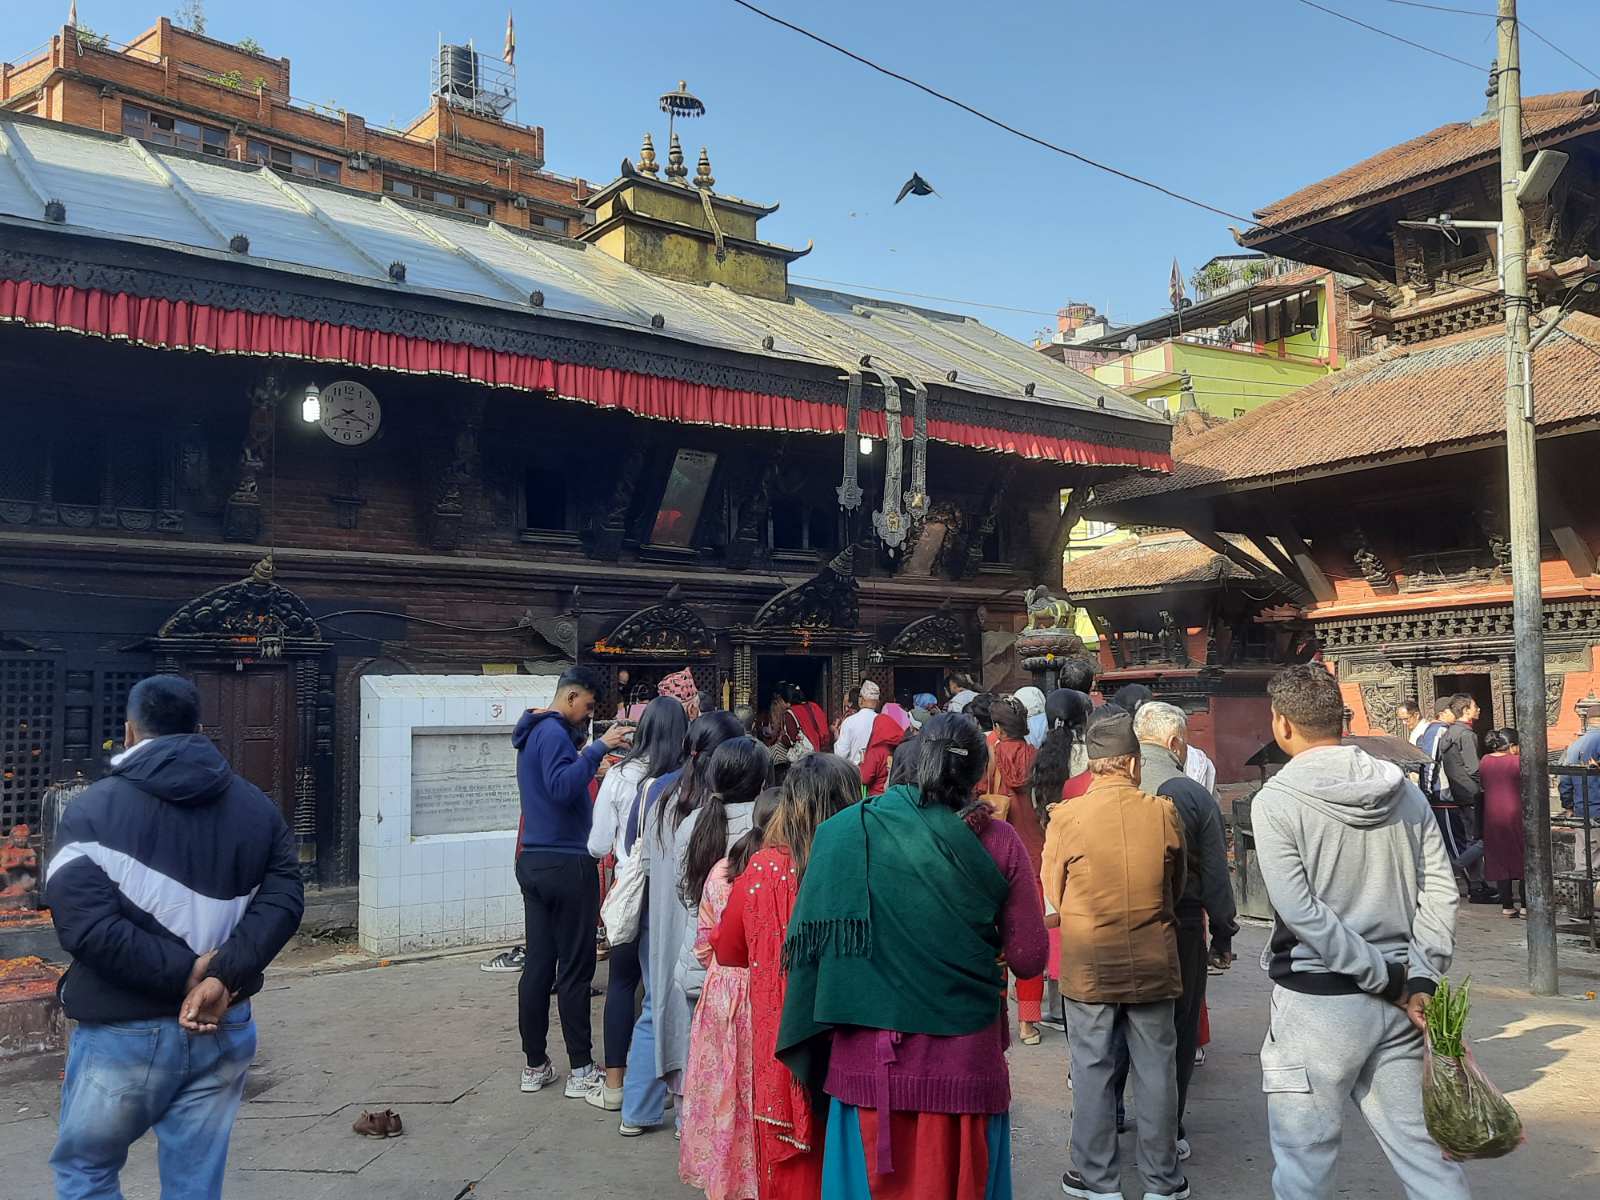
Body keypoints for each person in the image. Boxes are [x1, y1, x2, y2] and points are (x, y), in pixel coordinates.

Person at [45, 675, 304, 1200]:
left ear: (130, 732)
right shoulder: (257, 807)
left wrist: (186, 973)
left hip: (124, 1030)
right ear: (198, 730)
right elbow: (284, 900)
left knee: (86, 1172)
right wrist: (220, 977)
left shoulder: (92, 810)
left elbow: (87, 927)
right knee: (195, 1182)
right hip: (223, 1022)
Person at [778, 714, 1047, 1199]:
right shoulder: (1000, 841)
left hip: (867, 1064)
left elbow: (810, 959)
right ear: (976, 777)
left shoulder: (843, 833)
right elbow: (1030, 958)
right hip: (962, 1065)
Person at [1251, 665, 1465, 1200]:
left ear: (1281, 723)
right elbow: (1441, 890)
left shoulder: (1275, 802)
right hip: (1402, 1003)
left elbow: (1300, 911)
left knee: (1305, 1163)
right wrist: (1421, 977)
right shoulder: (1405, 792)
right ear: (1342, 721)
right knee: (1423, 1154)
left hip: (1318, 1005)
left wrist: (1386, 978)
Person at [1043, 708, 1188, 1200]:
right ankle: (1163, 1181)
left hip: (1089, 964)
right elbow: (1178, 884)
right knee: (1156, 1072)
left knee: (1092, 1069)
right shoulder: (1161, 812)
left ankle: (1098, 1178)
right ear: (1131, 765)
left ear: (1094, 763)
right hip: (1153, 959)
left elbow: (1053, 895)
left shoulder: (1068, 817)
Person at [714, 755, 861, 1199]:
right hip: (851, 1033)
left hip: (782, 1039)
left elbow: (728, 950)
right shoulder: (861, 864)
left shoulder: (762, 869)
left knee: (793, 1170)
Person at [513, 666, 632, 1099]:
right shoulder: (553, 733)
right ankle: (581, 1068)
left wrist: (590, 764)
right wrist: (598, 747)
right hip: (565, 862)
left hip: (535, 859)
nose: (587, 714)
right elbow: (562, 788)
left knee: (540, 965)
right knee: (576, 968)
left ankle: (535, 1063)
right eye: (586, 705)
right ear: (572, 696)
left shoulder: (535, 733)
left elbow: (555, 786)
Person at [630, 710, 747, 1135]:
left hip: (663, 932)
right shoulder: (724, 813)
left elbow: (645, 864)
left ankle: (659, 1112)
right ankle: (693, 1120)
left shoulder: (664, 798)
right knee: (699, 1028)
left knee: (663, 1016)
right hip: (703, 942)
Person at [1131, 702, 1238, 1162]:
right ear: (1175, 743)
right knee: (1175, 1027)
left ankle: (1109, 1117)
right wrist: (1225, 934)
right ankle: (1167, 1130)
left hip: (1112, 926)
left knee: (1114, 1028)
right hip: (1182, 924)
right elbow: (1215, 871)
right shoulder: (1191, 795)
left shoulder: (1113, 786)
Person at [678, 749, 775, 1200]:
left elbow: (703, 945)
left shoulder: (720, 868)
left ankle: (721, 1180)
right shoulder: (775, 873)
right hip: (759, 995)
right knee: (757, 1095)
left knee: (722, 1095)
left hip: (719, 993)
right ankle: (757, 1179)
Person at [585, 696, 689, 1111]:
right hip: (672, 896)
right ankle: (663, 1084)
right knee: (662, 992)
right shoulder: (685, 778)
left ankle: (616, 1086)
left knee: (623, 985)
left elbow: (596, 845)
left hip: (630, 889)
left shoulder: (619, 775)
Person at [989, 697, 1044, 1046]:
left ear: (997, 727)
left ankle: (997, 1022)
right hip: (1033, 851)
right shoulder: (1037, 756)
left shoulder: (988, 753)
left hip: (995, 851)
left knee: (993, 940)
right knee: (1027, 936)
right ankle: (1028, 1024)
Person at [1437, 693, 1492, 902]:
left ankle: (1476, 885)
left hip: (1458, 791)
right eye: (1475, 706)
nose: (1478, 709)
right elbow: (1474, 768)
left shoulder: (1449, 733)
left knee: (1472, 839)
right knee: (1483, 840)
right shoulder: (1467, 735)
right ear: (1466, 710)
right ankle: (1454, 868)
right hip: (1472, 792)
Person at [1479, 728, 1527, 918]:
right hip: (1516, 814)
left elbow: (1482, 784)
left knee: (1500, 859)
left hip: (1492, 816)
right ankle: (1525, 905)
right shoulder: (1517, 762)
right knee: (1524, 859)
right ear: (1513, 746)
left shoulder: (1485, 761)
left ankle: (1507, 904)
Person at [859, 706, 907, 798]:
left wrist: (862, 764)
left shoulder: (876, 750)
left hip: (876, 796)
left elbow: (865, 778)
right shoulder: (899, 746)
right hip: (895, 795)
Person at [835, 681, 882, 766]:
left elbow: (840, 754)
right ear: (877, 702)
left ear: (861, 700)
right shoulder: (883, 721)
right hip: (876, 773)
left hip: (854, 773)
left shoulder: (850, 721)